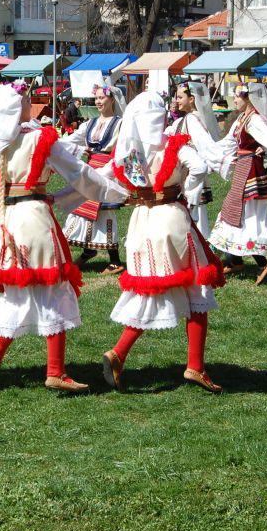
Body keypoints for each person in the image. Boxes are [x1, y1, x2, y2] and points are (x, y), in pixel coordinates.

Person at [0, 83, 129, 393]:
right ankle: (55, 371)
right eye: (26, 99)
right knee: (54, 287)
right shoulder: (40, 138)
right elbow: (79, 174)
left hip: (8, 219)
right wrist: (117, 191)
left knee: (20, 291)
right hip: (35, 218)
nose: (31, 103)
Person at [93, 91, 226, 393]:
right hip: (171, 219)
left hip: (142, 222)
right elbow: (200, 167)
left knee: (151, 289)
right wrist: (190, 192)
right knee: (195, 287)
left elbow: (104, 178)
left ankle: (121, 353)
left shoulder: (129, 154)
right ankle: (192, 365)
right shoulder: (173, 145)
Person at [208, 83, 267, 285]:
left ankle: (262, 263)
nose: (234, 100)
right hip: (243, 169)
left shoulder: (255, 120)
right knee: (232, 212)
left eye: (238, 96)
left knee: (247, 216)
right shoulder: (242, 119)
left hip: (251, 172)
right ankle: (235, 260)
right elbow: (228, 144)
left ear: (249, 98)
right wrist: (206, 150)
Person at [60, 85, 125, 274]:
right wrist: (49, 141)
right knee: (80, 208)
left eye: (102, 98)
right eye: (96, 98)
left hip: (108, 169)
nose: (98, 101)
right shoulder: (90, 123)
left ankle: (115, 260)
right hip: (90, 168)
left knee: (104, 212)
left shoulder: (121, 123)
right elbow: (71, 140)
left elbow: (123, 149)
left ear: (112, 99)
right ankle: (88, 250)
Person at [167, 81, 221, 238]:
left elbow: (204, 145)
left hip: (192, 171)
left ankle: (201, 244)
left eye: (180, 97)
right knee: (193, 209)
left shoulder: (192, 119)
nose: (176, 100)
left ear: (192, 99)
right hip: (188, 171)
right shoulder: (185, 119)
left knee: (195, 209)